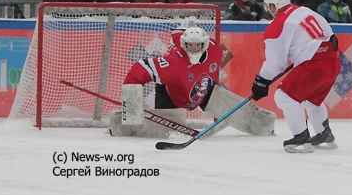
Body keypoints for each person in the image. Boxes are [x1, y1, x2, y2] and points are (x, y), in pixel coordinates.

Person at [112, 25, 277, 138]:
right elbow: (136, 72)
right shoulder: (172, 63)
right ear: (183, 44)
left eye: (198, 45)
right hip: (172, 95)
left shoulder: (216, 51)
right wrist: (132, 109)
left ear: (205, 44)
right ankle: (120, 125)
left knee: (225, 99)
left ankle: (262, 125)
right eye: (190, 45)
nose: (194, 49)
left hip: (203, 89)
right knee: (166, 132)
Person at [251, 0, 340, 153]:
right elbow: (330, 35)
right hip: (333, 60)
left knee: (284, 96)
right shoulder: (305, 11)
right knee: (310, 98)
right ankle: (323, 133)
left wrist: (261, 81)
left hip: (314, 63)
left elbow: (276, 63)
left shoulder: (278, 25)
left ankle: (301, 136)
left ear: (273, 6)